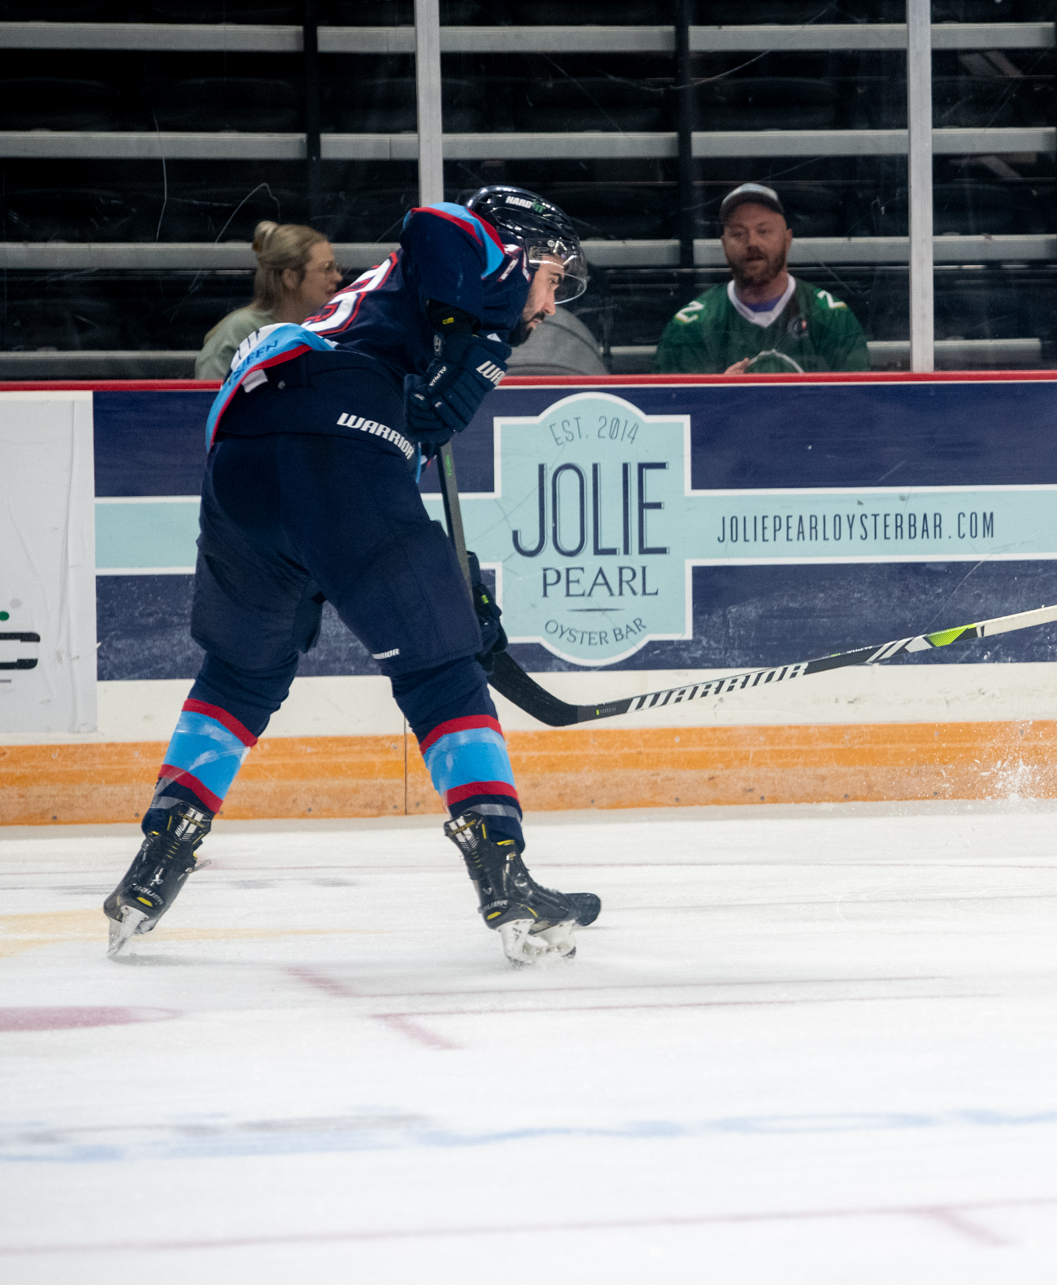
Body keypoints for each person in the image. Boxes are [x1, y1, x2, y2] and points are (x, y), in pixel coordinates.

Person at [103, 186, 603, 967]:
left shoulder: (443, 329)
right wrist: (493, 293)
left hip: (249, 458)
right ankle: (504, 875)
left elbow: (403, 442)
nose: (551, 298)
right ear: (519, 251)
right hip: (323, 442)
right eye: (552, 273)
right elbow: (435, 223)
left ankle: (156, 860)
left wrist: (444, 579)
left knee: (240, 673)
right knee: (442, 674)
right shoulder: (467, 268)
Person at [654, 183, 870, 374]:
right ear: (724, 245)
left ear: (787, 240)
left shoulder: (833, 319)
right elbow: (674, 413)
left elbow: (857, 409)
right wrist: (715, 397)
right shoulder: (690, 328)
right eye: (738, 233)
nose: (752, 243)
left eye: (764, 231)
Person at [194, 221, 342, 381]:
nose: (337, 277)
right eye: (326, 268)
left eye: (336, 268)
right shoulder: (238, 333)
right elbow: (207, 401)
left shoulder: (329, 329)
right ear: (290, 278)